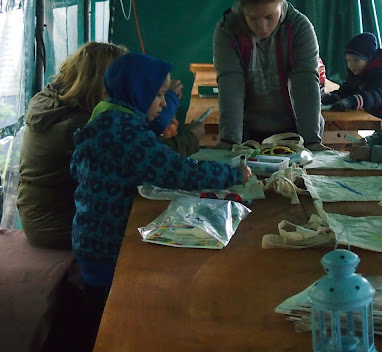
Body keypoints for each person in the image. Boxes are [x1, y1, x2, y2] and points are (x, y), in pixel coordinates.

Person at [71, 52, 251, 290]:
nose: (164, 103)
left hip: (89, 240)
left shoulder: (106, 119)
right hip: (108, 250)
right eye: (157, 96)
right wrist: (232, 174)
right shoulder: (126, 133)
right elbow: (176, 171)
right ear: (138, 94)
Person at [17, 42, 202, 250]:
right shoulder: (80, 124)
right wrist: (191, 138)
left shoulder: (57, 105)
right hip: (57, 225)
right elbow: (152, 160)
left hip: (43, 217)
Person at [213, 0, 327, 150]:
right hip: (247, 133)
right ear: (243, 10)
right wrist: (229, 141)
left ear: (281, 5)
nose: (262, 26)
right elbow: (230, 83)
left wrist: (312, 141)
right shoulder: (228, 30)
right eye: (253, 18)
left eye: (269, 17)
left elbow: (305, 82)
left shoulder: (299, 27)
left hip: (295, 132)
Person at [321, 32, 382, 127]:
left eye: (356, 60)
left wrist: (352, 101)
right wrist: (336, 97)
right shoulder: (357, 72)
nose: (350, 65)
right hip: (380, 116)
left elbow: (376, 95)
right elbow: (348, 89)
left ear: (369, 59)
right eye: (348, 60)